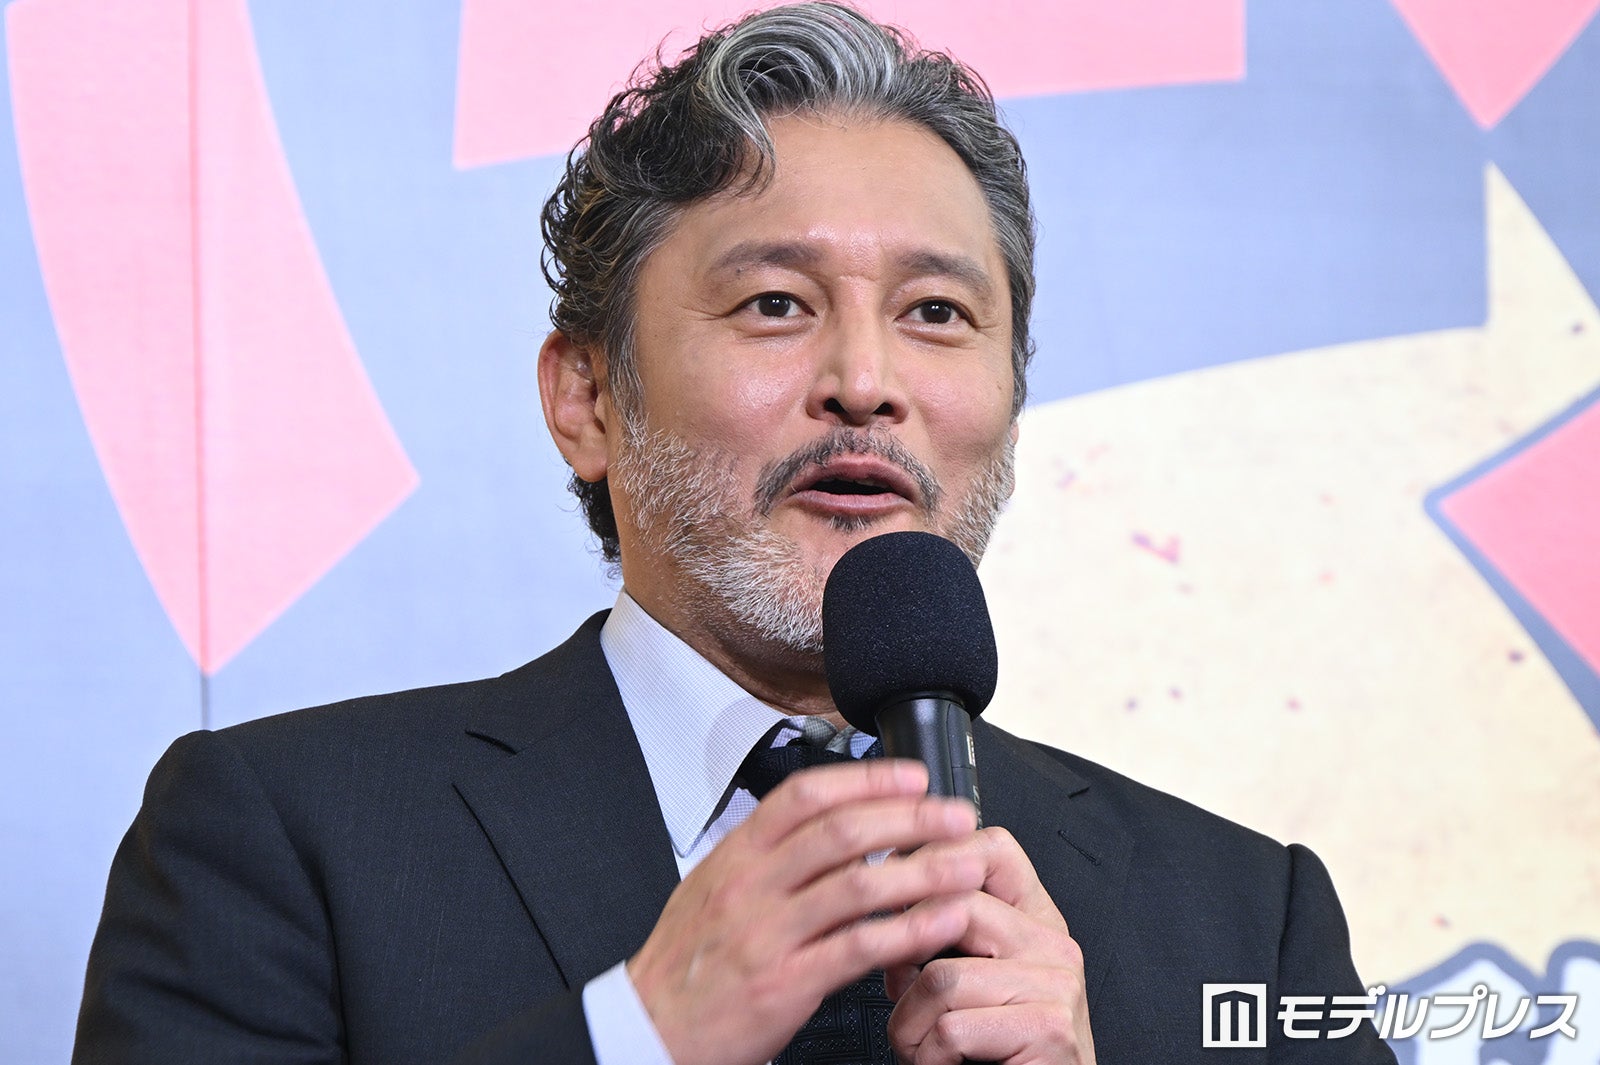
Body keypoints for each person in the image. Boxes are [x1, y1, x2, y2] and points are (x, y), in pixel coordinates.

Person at [73, 4, 1398, 1063]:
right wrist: (639, 1038)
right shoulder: (283, 841)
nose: (866, 380)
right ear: (588, 400)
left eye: (937, 314)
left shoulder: (1246, 918)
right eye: (775, 303)